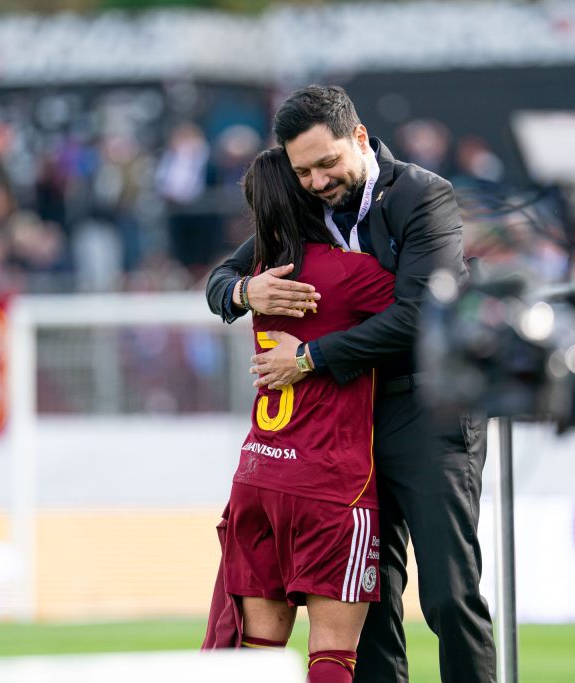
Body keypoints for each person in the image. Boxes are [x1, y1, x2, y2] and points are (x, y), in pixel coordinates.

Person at [206, 85, 495, 683]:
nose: (316, 182)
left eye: (327, 163)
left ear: (359, 138)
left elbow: (423, 314)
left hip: (430, 407)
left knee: (449, 596)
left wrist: (310, 357)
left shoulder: (423, 194)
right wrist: (245, 291)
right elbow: (222, 278)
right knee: (373, 605)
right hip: (350, 425)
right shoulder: (303, 203)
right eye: (302, 171)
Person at [208, 147, 396, 682]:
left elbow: (219, 281)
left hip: (258, 475)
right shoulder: (351, 273)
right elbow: (425, 309)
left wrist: (238, 291)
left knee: (259, 657)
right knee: (333, 655)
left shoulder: (260, 280)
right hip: (329, 484)